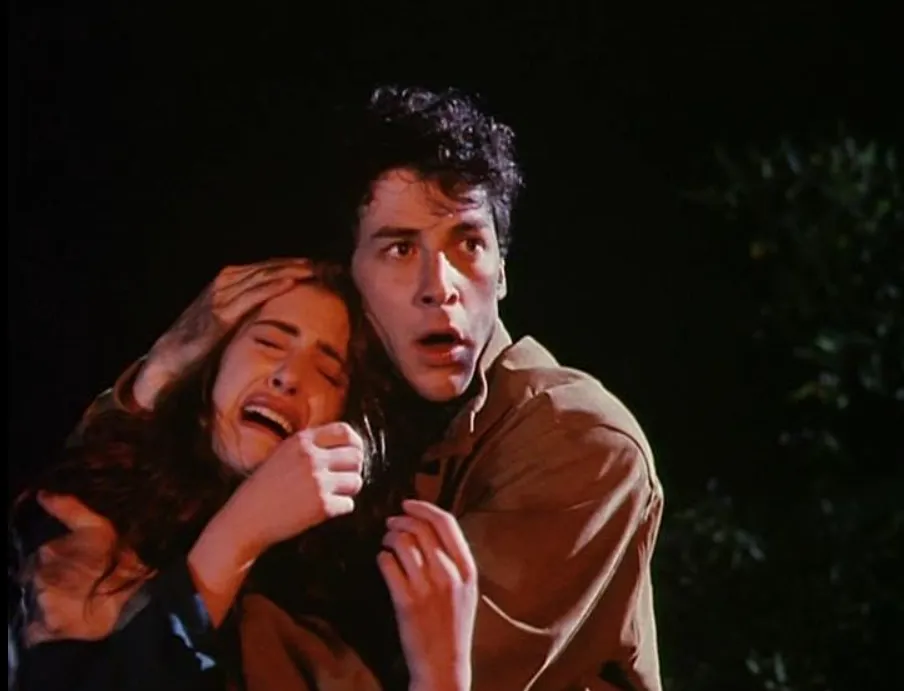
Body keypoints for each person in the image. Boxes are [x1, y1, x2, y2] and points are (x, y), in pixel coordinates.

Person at [31, 84, 665, 690]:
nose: (439, 286)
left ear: (502, 272)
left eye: (468, 244)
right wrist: (158, 376)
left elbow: (399, 671)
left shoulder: (572, 437)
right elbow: (74, 518)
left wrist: (194, 571)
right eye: (399, 249)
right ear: (353, 277)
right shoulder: (349, 415)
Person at [8, 261, 479, 691]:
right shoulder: (85, 519)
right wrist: (238, 533)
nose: (288, 377)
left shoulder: (330, 628)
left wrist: (442, 677)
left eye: (327, 372)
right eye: (269, 342)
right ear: (208, 377)